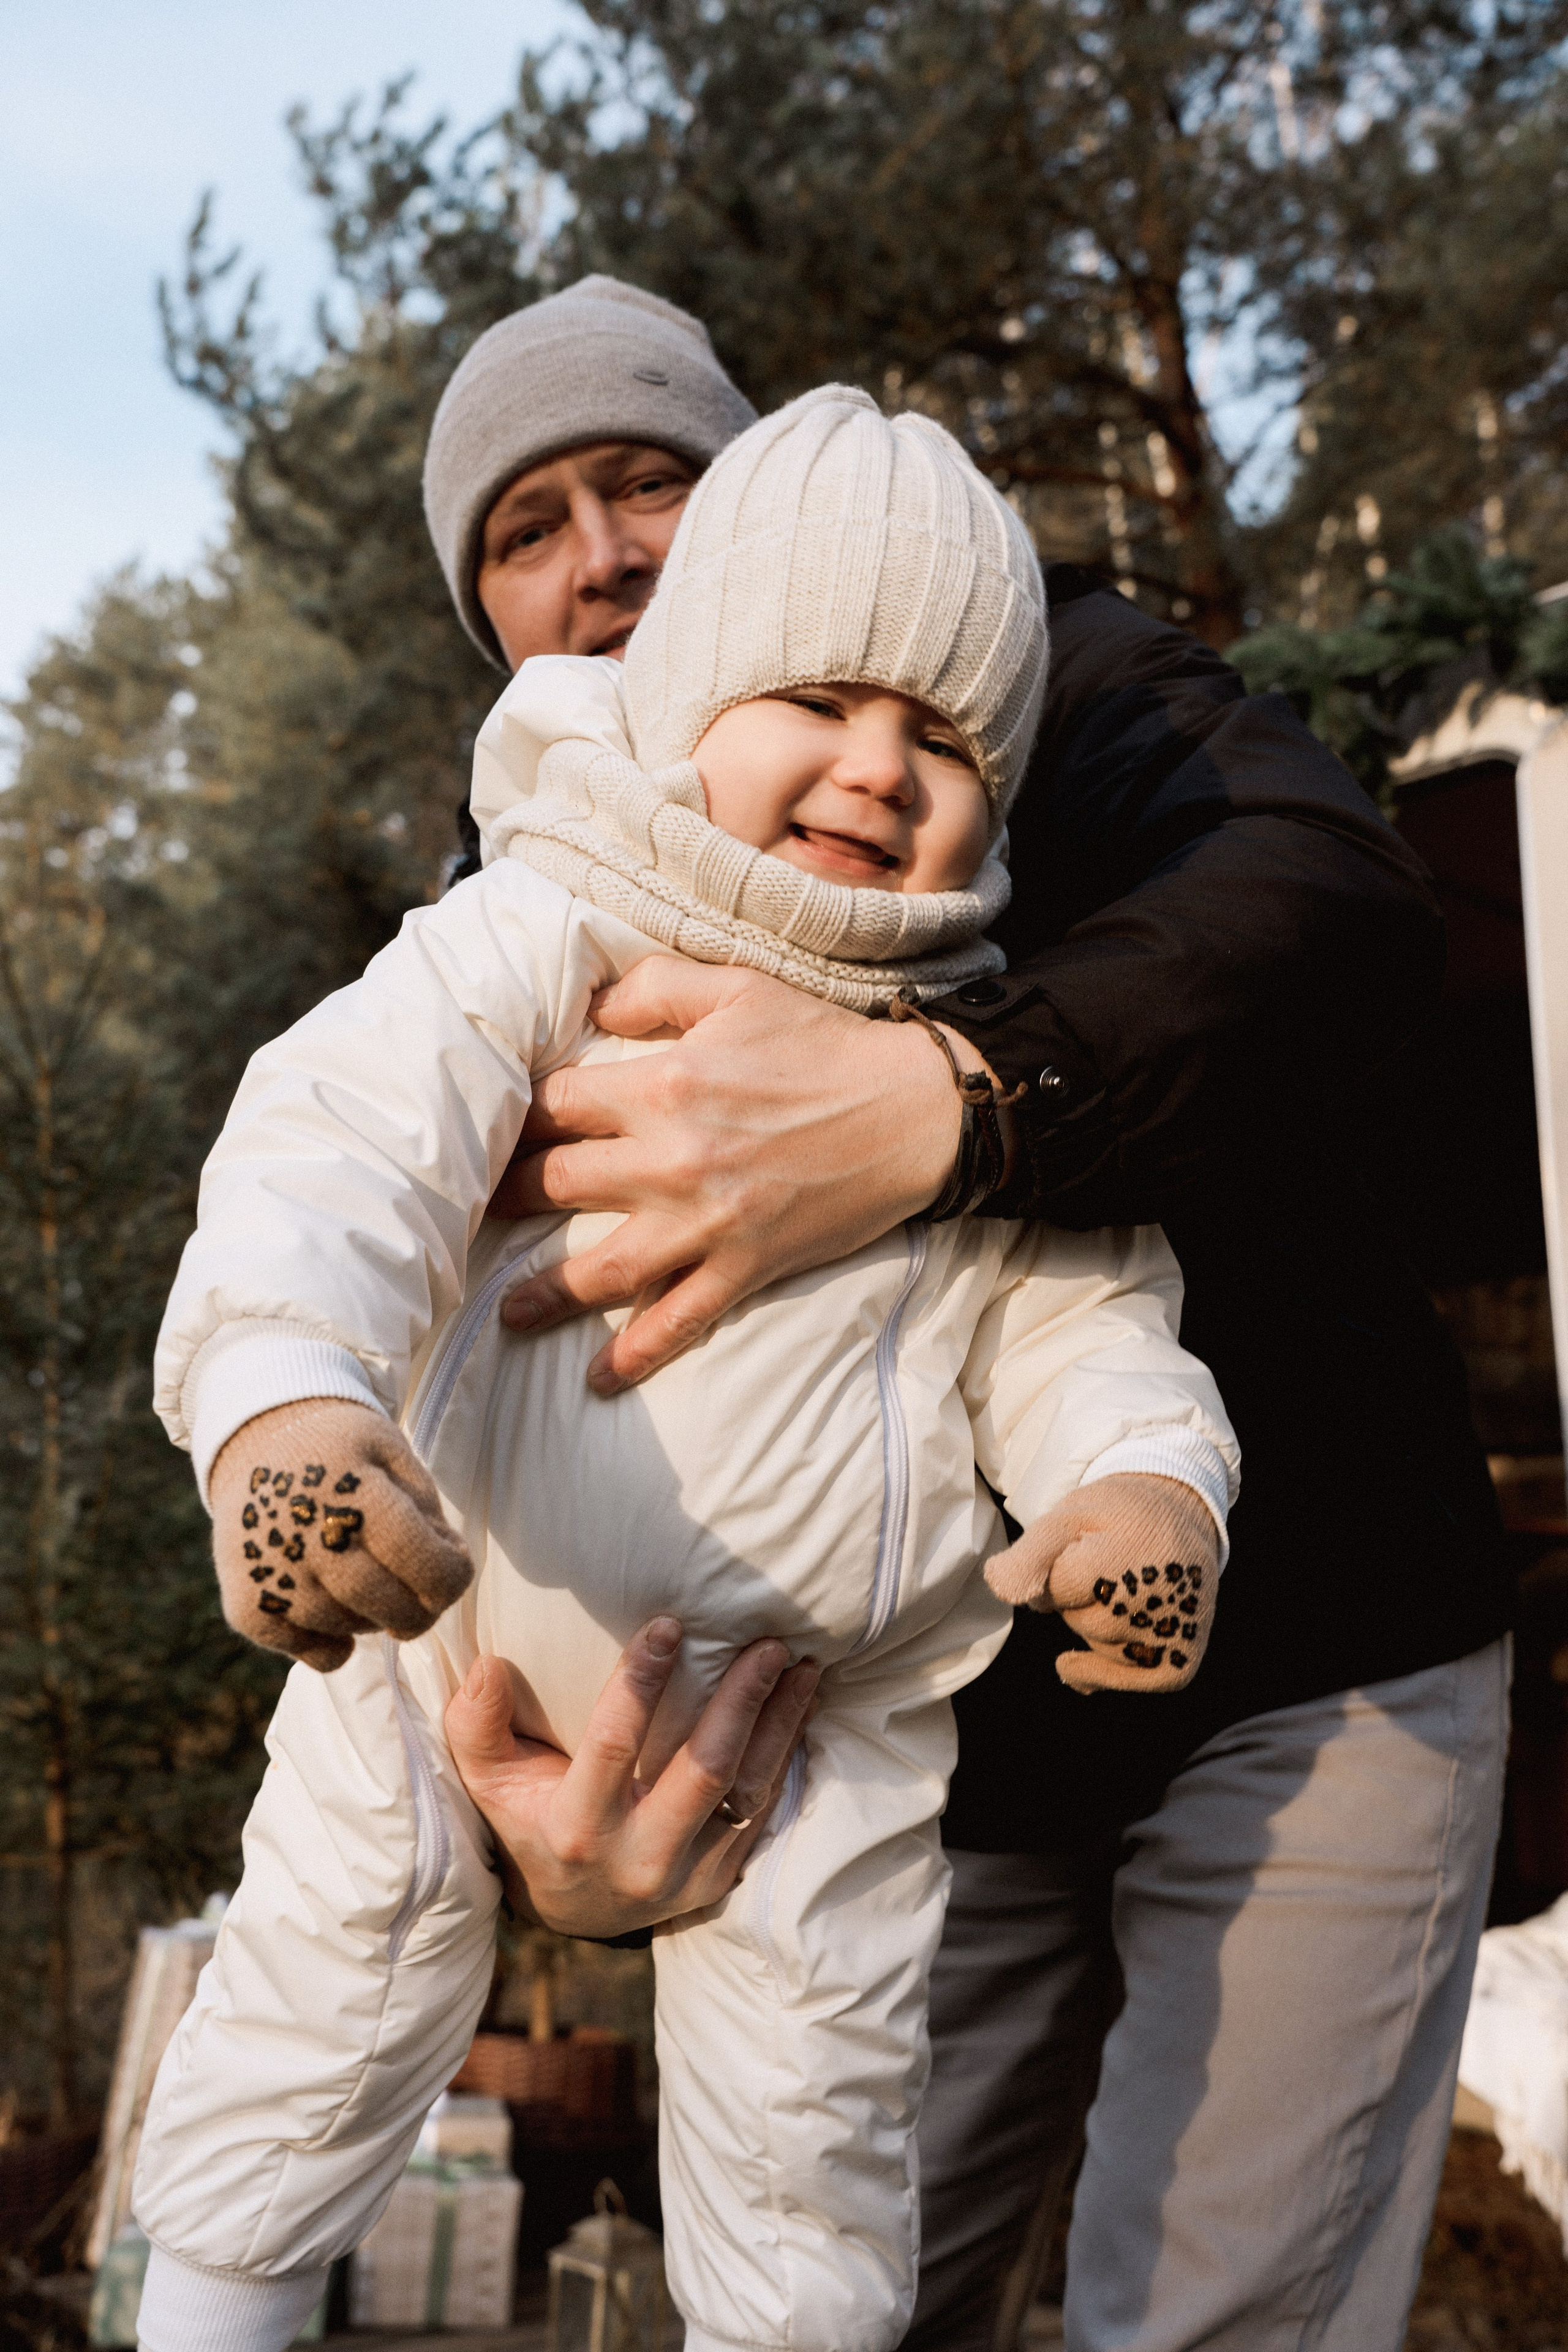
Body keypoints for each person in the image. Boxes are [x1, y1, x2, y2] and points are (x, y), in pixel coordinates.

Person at [413, 279, 1510, 2350]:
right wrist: (543, 1826)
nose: (604, 553)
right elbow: (458, 1387)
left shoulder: (1038, 676)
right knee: (828, 2298)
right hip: (897, 1761)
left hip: (1310, 1655)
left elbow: (1332, 905)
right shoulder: (513, 909)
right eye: (527, 525)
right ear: (488, 615)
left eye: (648, 480)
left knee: (1213, 2320)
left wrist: (953, 1095)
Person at [135, 385, 1240, 2352]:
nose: (882, 771)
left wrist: (1141, 1490)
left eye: (949, 739)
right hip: (444, 1632)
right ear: (688, 695)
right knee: (314, 2006)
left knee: (811, 2150)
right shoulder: (539, 927)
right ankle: (213, 2317)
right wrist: (288, 1401)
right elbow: (340, 1145)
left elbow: (1090, 1318)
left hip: (819, 1719)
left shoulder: (980, 1046)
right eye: (819, 699)